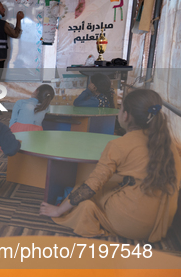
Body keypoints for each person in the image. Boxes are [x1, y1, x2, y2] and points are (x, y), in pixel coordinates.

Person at [40, 89, 181, 242]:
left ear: (125, 115)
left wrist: (58, 210)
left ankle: (75, 214)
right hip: (163, 221)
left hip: (130, 222)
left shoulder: (118, 145)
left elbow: (92, 186)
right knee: (110, 184)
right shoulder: (169, 143)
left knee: (83, 194)